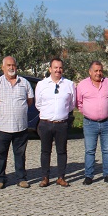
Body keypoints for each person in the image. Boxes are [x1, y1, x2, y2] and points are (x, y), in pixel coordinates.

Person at [0, 56, 34, 190]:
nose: (11, 68)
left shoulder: (25, 83)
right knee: (1, 155)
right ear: (3, 67)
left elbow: (30, 101)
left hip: (20, 126)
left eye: (13, 65)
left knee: (20, 154)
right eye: (8, 65)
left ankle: (21, 178)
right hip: (3, 127)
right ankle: (0, 178)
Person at [35, 58, 76, 188]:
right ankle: (45, 177)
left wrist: (61, 113)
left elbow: (71, 104)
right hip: (46, 123)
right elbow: (38, 104)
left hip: (62, 123)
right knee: (45, 151)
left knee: (62, 151)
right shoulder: (42, 84)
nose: (58, 70)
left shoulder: (69, 84)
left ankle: (61, 177)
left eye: (60, 68)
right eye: (55, 68)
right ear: (50, 69)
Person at [76, 61, 108, 185]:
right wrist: (89, 113)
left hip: (107, 122)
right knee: (89, 150)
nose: (98, 73)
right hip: (90, 123)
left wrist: (105, 111)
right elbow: (79, 103)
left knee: (107, 150)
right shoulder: (82, 85)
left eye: (100, 70)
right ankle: (89, 176)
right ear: (90, 72)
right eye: (96, 70)